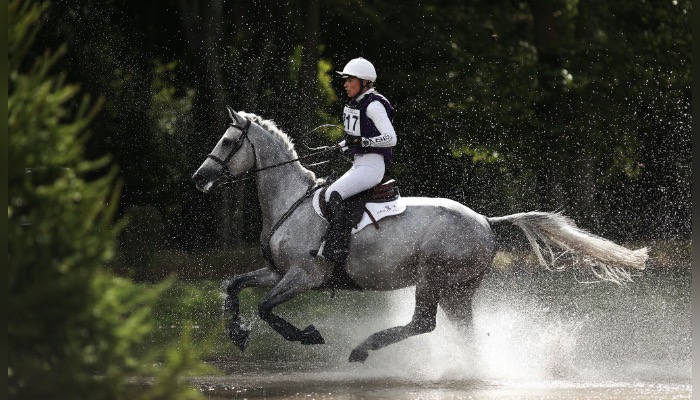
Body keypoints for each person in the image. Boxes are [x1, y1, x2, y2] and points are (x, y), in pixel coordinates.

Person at [311, 57, 397, 264]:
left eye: (350, 80)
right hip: (359, 164)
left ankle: (337, 248)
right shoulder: (357, 104)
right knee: (328, 192)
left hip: (372, 165)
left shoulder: (374, 105)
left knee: (334, 194)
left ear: (364, 82)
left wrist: (363, 141)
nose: (345, 84)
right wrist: (338, 147)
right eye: (346, 80)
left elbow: (390, 138)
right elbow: (354, 140)